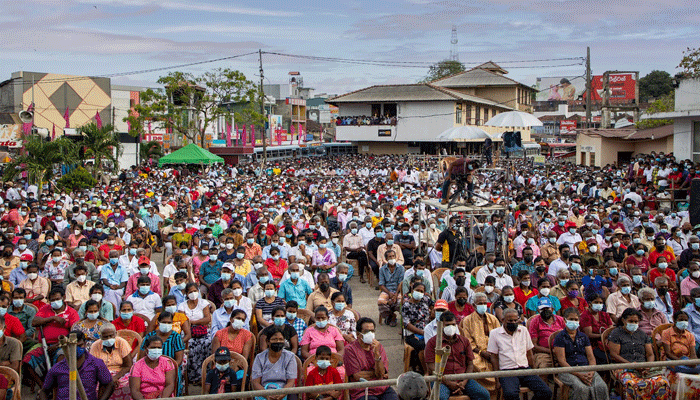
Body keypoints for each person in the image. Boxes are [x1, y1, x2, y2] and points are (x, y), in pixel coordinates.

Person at [486, 308, 553, 400]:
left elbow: (529, 353)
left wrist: (533, 372)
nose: (513, 323)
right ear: (502, 320)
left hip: (525, 369)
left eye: (515, 320)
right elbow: (494, 357)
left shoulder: (523, 330)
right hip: (507, 371)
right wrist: (497, 379)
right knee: (511, 394)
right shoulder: (494, 333)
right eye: (510, 321)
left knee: (546, 392)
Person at [608, 307, 670, 400]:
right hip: (624, 366)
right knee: (631, 384)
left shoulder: (642, 334)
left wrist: (647, 366)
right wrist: (631, 365)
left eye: (636, 322)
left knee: (662, 382)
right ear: (623, 320)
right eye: (631, 321)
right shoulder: (616, 333)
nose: (633, 324)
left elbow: (650, 354)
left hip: (643, 367)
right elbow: (614, 355)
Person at [424, 311, 489, 400]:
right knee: (440, 398)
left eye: (453, 325)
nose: (451, 327)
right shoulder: (432, 343)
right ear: (441, 325)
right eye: (447, 325)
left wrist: (464, 382)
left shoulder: (464, 341)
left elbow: (470, 364)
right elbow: (431, 366)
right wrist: (448, 383)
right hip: (441, 380)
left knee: (484, 395)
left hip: (463, 379)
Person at [39, 330, 115, 400]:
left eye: (79, 346)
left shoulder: (96, 363)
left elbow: (109, 384)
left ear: (85, 344)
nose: (76, 349)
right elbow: (44, 391)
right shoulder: (58, 368)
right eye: (73, 347)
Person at [552, 307, 609, 400]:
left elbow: (591, 358)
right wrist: (579, 374)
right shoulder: (560, 338)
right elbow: (561, 361)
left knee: (601, 386)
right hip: (568, 370)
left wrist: (591, 371)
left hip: (586, 368)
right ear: (565, 320)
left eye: (576, 319)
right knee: (581, 388)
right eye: (571, 319)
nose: (573, 321)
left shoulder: (583, 337)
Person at [344, 317, 397, 400]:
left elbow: (381, 374)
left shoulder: (378, 346)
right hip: (362, 390)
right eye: (367, 331)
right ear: (358, 334)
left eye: (372, 331)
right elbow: (357, 376)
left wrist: (376, 354)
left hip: (382, 388)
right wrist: (376, 374)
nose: (370, 334)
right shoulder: (350, 349)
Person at [140, 311, 185, 395]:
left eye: (169, 323)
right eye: (164, 322)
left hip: (170, 369)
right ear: (158, 322)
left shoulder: (176, 337)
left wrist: (166, 370)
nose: (166, 324)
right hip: (150, 368)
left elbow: (178, 360)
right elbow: (141, 357)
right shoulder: (150, 336)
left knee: (171, 380)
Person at [251, 326, 298, 400]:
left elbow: (291, 382)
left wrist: (282, 394)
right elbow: (256, 383)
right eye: (274, 339)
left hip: (284, 391)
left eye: (281, 339)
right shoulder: (259, 358)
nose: (278, 342)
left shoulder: (290, 357)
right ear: (268, 341)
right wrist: (267, 395)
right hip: (264, 392)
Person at [661, 310, 700, 398]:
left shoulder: (690, 335)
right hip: (672, 361)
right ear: (674, 320)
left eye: (686, 320)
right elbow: (668, 353)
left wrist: (693, 362)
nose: (684, 322)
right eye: (681, 320)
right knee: (681, 376)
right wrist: (681, 362)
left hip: (686, 360)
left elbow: (693, 353)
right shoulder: (666, 333)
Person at [89, 323, 133, 400]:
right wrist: (108, 378)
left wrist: (115, 378)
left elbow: (128, 365)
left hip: (120, 373)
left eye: (111, 336)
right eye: (105, 337)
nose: (109, 339)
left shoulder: (122, 342)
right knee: (97, 385)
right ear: (101, 337)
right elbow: (93, 366)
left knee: (128, 384)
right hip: (101, 374)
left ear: (115, 334)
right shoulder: (95, 346)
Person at [179, 282, 212, 383]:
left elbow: (207, 319)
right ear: (186, 294)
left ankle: (206, 374)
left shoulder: (204, 303)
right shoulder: (182, 306)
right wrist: (190, 323)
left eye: (195, 291)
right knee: (191, 345)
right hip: (187, 331)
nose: (193, 293)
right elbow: (182, 321)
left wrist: (193, 322)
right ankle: (193, 376)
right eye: (190, 292)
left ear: (198, 291)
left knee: (208, 343)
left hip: (203, 331)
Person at [130, 335, 177, 399]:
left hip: (163, 397)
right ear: (146, 348)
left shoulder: (167, 363)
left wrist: (162, 398)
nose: (156, 350)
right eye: (153, 347)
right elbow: (135, 390)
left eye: (159, 348)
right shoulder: (137, 366)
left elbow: (170, 385)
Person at [401, 281, 433, 373]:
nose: (419, 293)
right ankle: (426, 370)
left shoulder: (425, 300)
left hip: (427, 330)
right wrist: (421, 332)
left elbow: (434, 305)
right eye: (417, 290)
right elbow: (407, 324)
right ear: (412, 290)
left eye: (421, 291)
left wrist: (432, 312)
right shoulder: (406, 305)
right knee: (423, 345)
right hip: (412, 333)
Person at [580, 293, 613, 365]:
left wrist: (607, 336)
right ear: (590, 303)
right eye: (596, 302)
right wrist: (603, 335)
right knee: (605, 358)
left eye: (600, 302)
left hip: (607, 342)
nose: (599, 304)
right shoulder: (585, 316)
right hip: (593, 345)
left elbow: (611, 329)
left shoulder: (604, 314)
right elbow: (589, 334)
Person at [378, 249, 404, 327]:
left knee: (400, 303)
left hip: (398, 291)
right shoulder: (382, 269)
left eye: (393, 256)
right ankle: (392, 316)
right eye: (390, 257)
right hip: (387, 291)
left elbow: (401, 283)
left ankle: (390, 315)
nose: (392, 258)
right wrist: (389, 293)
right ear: (386, 259)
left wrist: (395, 294)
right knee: (380, 302)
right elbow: (381, 284)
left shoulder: (401, 268)